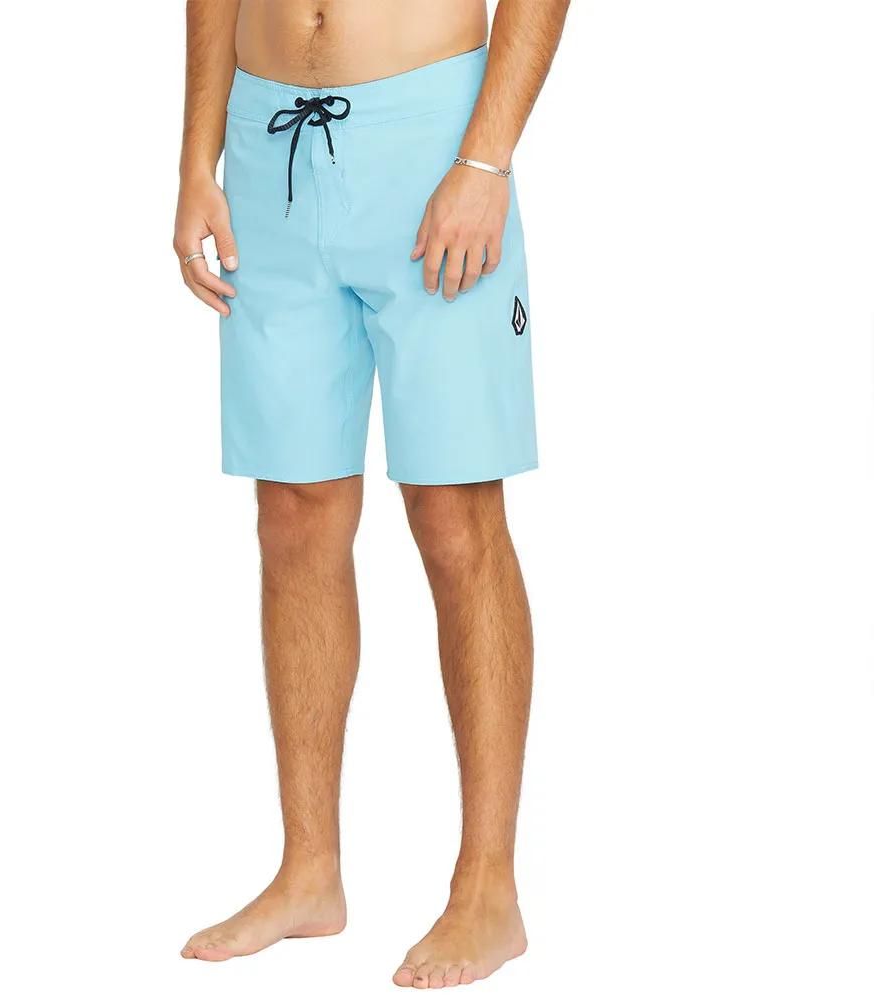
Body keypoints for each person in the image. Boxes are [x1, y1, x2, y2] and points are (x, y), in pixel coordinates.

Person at [174, 0, 569, 988]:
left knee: (454, 515)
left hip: (431, 141)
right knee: (292, 514)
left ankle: (488, 887)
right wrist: (196, 159)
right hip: (267, 146)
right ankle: (308, 871)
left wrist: (486, 160)